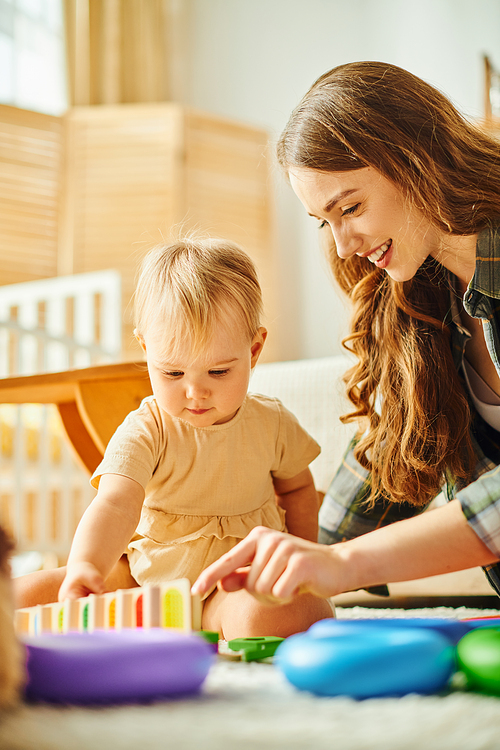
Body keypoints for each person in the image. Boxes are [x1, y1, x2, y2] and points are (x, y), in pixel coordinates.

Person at [192, 60, 500, 605]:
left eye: (350, 208)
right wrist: (270, 569)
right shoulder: (422, 305)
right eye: (324, 221)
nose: (342, 245)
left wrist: (342, 563)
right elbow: (367, 494)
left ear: (415, 159)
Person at [15, 237, 333, 639]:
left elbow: (299, 488)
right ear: (147, 351)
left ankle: (217, 620)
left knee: (299, 612)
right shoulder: (147, 428)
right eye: (172, 374)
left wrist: (303, 560)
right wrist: (86, 568)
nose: (195, 393)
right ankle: (119, 610)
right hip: (141, 581)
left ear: (253, 351)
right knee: (27, 593)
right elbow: (115, 503)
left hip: (229, 586)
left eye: (218, 373)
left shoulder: (272, 422)